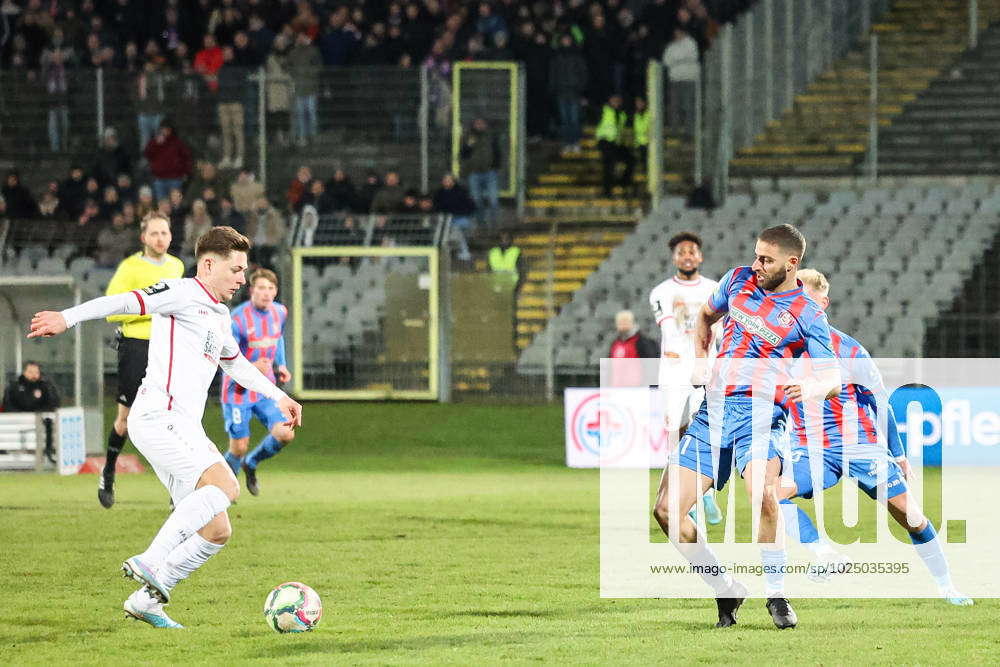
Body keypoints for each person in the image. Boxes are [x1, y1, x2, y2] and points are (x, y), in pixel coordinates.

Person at [27, 226, 303, 629]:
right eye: (236, 270)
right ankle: (151, 560)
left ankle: (146, 601)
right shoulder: (180, 291)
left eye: (245, 271)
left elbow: (235, 363)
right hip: (158, 415)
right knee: (226, 486)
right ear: (209, 264)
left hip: (184, 425)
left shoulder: (220, 314)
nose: (243, 279)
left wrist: (278, 395)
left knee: (217, 528)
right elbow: (125, 301)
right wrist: (67, 318)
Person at [653, 224, 841, 629]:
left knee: (765, 498)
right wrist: (702, 358)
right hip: (713, 413)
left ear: (792, 264)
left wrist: (812, 386)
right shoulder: (737, 279)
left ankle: (776, 594)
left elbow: (832, 378)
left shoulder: (807, 314)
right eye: (756, 255)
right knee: (667, 512)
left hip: (760, 417)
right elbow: (705, 316)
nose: (756, 264)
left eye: (766, 260)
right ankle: (725, 587)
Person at [779, 269, 973, 606]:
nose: (797, 306)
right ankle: (825, 554)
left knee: (911, 517)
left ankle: (947, 587)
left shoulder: (848, 349)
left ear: (822, 303)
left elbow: (879, 402)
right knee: (772, 495)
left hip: (860, 446)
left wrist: (897, 454)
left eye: (804, 299)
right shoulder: (782, 348)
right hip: (811, 448)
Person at [98, 214, 186, 509]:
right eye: (154, 233)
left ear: (171, 236)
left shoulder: (177, 266)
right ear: (143, 238)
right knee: (126, 419)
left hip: (168, 349)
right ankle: (108, 470)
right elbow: (112, 310)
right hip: (136, 346)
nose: (160, 238)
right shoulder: (130, 267)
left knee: (172, 418)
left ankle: (176, 489)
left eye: (165, 232)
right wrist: (153, 309)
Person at [648, 231, 721, 524]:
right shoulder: (661, 292)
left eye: (692, 251)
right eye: (681, 252)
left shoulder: (715, 289)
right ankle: (682, 496)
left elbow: (722, 331)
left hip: (707, 369)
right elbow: (671, 333)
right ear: (674, 258)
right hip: (675, 371)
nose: (687, 256)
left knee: (703, 428)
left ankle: (705, 494)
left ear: (700, 256)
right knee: (675, 434)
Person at [220, 269, 293, 497]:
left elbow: (278, 338)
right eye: (261, 288)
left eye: (271, 288)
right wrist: (252, 368)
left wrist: (281, 365)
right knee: (238, 447)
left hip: (264, 390)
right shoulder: (237, 320)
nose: (266, 293)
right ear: (252, 290)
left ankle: (251, 464)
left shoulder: (280, 312)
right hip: (237, 391)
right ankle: (221, 490)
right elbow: (225, 358)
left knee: (285, 432)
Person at [2, 361, 60, 463]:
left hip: (41, 423)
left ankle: (48, 453)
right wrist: (21, 416)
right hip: (16, 425)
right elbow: (7, 405)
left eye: (36, 372)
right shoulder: (14, 386)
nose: (34, 375)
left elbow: (53, 404)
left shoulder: (46, 386)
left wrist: (37, 415)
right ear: (24, 372)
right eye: (30, 372)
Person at [549, 32, 587, 154]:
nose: (566, 42)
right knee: (565, 120)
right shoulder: (557, 57)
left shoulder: (577, 56)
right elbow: (553, 75)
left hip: (574, 93)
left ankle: (575, 143)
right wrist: (554, 89)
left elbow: (583, 74)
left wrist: (580, 89)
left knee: (574, 119)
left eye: (568, 39)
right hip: (561, 93)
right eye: (564, 39)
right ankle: (566, 143)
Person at [460, 118, 501, 227]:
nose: (480, 125)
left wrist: (496, 167)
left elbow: (497, 151)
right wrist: (469, 145)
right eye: (477, 123)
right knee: (477, 199)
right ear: (473, 125)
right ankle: (481, 222)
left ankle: (495, 223)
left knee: (493, 199)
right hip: (474, 173)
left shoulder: (491, 135)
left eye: (482, 123)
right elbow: (463, 154)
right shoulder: (469, 136)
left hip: (490, 172)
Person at [662, 27, 700, 136]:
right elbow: (666, 61)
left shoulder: (691, 43)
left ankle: (690, 131)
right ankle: (675, 131)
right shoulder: (671, 46)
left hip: (689, 79)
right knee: (674, 106)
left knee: (688, 106)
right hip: (675, 80)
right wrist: (681, 59)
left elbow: (692, 56)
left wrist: (676, 59)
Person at [144, 120, 193, 202]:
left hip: (175, 178)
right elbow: (147, 154)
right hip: (159, 179)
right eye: (163, 129)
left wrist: (186, 172)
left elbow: (186, 157)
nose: (165, 131)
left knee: (175, 203)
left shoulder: (177, 142)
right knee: (162, 203)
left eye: (167, 129)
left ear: (171, 130)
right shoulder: (154, 142)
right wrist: (155, 144)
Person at [595, 95, 633, 197]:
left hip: (616, 143)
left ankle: (622, 182)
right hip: (605, 141)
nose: (616, 103)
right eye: (614, 101)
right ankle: (607, 191)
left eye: (618, 101)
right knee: (608, 165)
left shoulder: (622, 114)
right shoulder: (604, 110)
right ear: (610, 101)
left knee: (630, 160)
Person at [216, 45, 245, 170]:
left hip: (236, 103)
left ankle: (239, 157)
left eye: (229, 53)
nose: (227, 55)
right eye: (225, 53)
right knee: (225, 132)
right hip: (223, 104)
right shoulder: (221, 69)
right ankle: (227, 157)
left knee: (238, 131)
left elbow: (242, 84)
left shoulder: (239, 67)